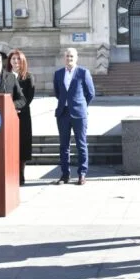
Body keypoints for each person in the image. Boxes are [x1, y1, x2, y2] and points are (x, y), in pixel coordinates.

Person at [53, 48, 95, 185]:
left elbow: (90, 93)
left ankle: (82, 174)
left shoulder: (83, 72)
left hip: (79, 114)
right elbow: (58, 93)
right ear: (64, 58)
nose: (69, 59)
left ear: (76, 58)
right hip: (63, 113)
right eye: (67, 56)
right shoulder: (58, 73)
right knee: (64, 145)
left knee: (81, 144)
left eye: (71, 56)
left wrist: (81, 105)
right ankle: (65, 175)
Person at [7, 49, 35, 185]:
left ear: (23, 61)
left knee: (22, 144)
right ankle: (10, 173)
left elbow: (29, 97)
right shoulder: (5, 77)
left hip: (22, 116)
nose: (16, 61)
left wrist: (17, 107)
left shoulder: (28, 77)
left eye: (18, 59)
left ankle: (21, 173)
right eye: (13, 59)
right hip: (7, 115)